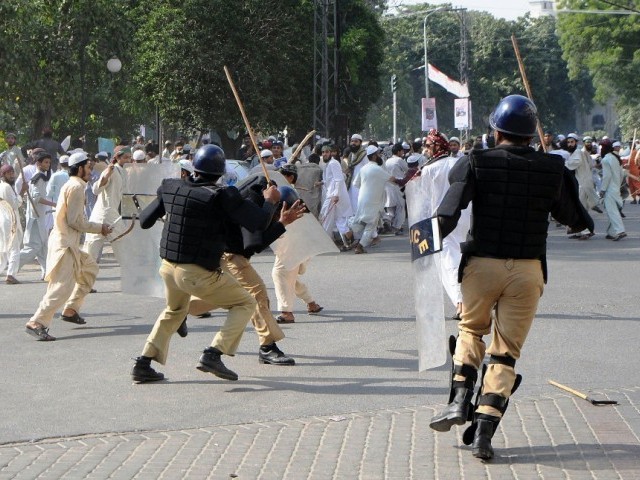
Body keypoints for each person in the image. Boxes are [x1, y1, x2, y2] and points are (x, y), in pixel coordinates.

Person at [428, 95, 593, 460]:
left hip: (481, 265)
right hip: (527, 270)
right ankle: (484, 435)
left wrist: (420, 242)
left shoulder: (475, 161)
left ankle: (458, 400)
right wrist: (558, 176)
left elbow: (447, 214)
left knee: (472, 331)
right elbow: (576, 219)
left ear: (495, 130)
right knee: (505, 355)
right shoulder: (553, 167)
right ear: (532, 134)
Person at [130, 144, 285, 383]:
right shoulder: (222, 196)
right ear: (221, 172)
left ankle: (144, 362)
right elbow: (258, 223)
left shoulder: (171, 186)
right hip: (196, 272)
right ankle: (214, 353)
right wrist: (270, 201)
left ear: (193, 166)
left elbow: (145, 221)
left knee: (174, 310)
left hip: (168, 268)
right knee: (245, 302)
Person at [188, 174, 306, 364]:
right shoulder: (252, 202)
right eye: (280, 213)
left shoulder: (260, 201)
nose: (277, 217)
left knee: (216, 297)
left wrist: (280, 221)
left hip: (227, 255)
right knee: (258, 293)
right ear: (279, 205)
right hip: (231, 256)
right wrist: (279, 220)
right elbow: (254, 244)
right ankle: (267, 347)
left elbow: (255, 242)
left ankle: (182, 309)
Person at [24, 152, 112, 341]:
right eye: (88, 167)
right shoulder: (76, 187)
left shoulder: (76, 185)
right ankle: (37, 322)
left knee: (90, 268)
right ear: (79, 168)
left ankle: (71, 309)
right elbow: (75, 221)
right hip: (65, 245)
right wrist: (100, 228)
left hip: (69, 243)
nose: (90, 171)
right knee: (61, 287)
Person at [420, 129, 470, 319]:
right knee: (460, 256)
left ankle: (461, 303)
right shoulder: (458, 163)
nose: (425, 149)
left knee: (448, 261)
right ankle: (468, 299)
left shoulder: (429, 169)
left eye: (428, 146)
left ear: (436, 147)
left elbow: (425, 200)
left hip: (441, 219)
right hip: (464, 215)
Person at [272, 164, 324, 324]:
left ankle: (286, 312)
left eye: (285, 175)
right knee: (289, 276)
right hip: (293, 240)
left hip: (295, 239)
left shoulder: (289, 194)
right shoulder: (283, 190)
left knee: (280, 273)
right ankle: (311, 303)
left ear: (290, 178)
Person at [84, 146, 132, 264]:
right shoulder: (111, 170)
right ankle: (81, 279)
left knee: (124, 250)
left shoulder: (124, 172)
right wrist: (106, 175)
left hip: (113, 215)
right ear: (117, 158)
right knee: (89, 255)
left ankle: (132, 277)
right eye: (126, 158)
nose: (128, 160)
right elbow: (96, 190)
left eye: (130, 158)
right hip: (103, 215)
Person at [348, 145, 395, 254]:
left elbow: (356, 183)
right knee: (370, 225)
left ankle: (349, 232)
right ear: (374, 156)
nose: (380, 156)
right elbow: (391, 179)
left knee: (362, 220)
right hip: (373, 201)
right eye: (378, 154)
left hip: (362, 199)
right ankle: (359, 246)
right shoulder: (377, 169)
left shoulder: (363, 168)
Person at [19, 151, 56, 278]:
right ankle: (10, 266)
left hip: (39, 216)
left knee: (43, 246)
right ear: (38, 163)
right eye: (46, 162)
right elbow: (36, 198)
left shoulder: (42, 176)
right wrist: (54, 204)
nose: (48, 165)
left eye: (49, 162)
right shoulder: (38, 177)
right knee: (33, 248)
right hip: (35, 218)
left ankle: (47, 272)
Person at [320, 145, 353, 249]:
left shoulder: (333, 163)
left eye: (327, 152)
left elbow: (338, 180)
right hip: (334, 195)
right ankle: (349, 242)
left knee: (325, 217)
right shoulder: (329, 164)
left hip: (334, 196)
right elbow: (330, 179)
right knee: (340, 220)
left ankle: (324, 243)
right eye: (323, 152)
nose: (325, 154)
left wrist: (336, 195)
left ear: (331, 153)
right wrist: (320, 183)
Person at [599, 139, 629, 241]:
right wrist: (618, 185)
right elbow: (621, 175)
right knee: (612, 210)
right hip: (616, 188)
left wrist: (602, 190)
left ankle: (620, 231)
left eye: (602, 147)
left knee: (612, 212)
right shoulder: (616, 159)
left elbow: (606, 176)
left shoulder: (606, 159)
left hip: (609, 189)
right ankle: (611, 232)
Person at [0, 165, 23, 284]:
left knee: (4, 248)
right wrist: (21, 194)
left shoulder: (4, 186)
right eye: (9, 173)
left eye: (12, 172)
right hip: (10, 221)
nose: (12, 175)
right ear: (3, 175)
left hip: (3, 220)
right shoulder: (7, 187)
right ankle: (11, 274)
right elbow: (15, 204)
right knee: (14, 249)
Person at [383, 143, 409, 235]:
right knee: (400, 207)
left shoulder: (387, 161)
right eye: (402, 151)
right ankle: (397, 227)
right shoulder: (399, 160)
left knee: (390, 207)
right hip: (398, 186)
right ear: (398, 151)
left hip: (387, 186)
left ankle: (386, 221)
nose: (403, 153)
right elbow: (407, 170)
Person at [294, 152, 324, 218]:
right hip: (311, 199)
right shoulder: (319, 170)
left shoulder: (298, 168)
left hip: (298, 196)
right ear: (318, 162)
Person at [344, 134, 367, 212]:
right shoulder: (351, 155)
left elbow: (367, 169)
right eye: (352, 141)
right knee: (351, 204)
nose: (353, 143)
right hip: (351, 183)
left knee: (359, 204)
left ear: (360, 143)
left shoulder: (364, 155)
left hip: (361, 184)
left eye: (356, 141)